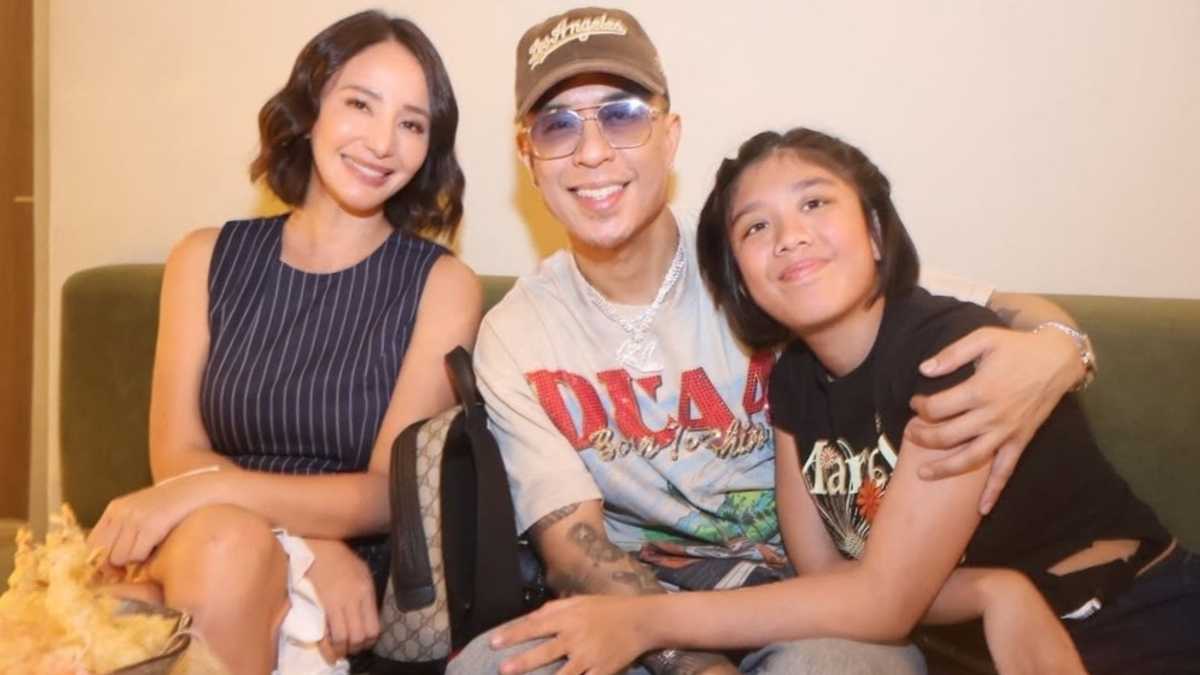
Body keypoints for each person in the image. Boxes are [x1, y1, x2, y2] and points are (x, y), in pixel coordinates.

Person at [452, 7, 1095, 674]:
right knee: (482, 667)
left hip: (812, 601)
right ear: (528, 157)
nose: (591, 152)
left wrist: (1061, 350)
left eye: (622, 115)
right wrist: (690, 663)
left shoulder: (760, 257)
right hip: (641, 601)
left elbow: (992, 309)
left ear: (669, 136)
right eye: (557, 125)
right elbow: (575, 547)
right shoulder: (517, 334)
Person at [491, 126, 1200, 675]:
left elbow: (882, 600)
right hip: (983, 639)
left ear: (875, 230)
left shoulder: (950, 353)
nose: (790, 235)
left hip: (1133, 613)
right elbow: (830, 576)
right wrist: (991, 589)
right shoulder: (793, 380)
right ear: (737, 278)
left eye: (815, 202)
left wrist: (644, 621)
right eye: (755, 226)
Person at [85, 10, 481, 674]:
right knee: (145, 591)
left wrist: (235, 514)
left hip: (347, 577)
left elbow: (386, 492)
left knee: (216, 555)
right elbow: (176, 454)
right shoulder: (202, 258)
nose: (382, 143)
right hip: (200, 536)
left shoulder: (442, 286)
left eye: (412, 124)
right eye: (360, 104)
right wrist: (302, 541)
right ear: (310, 108)